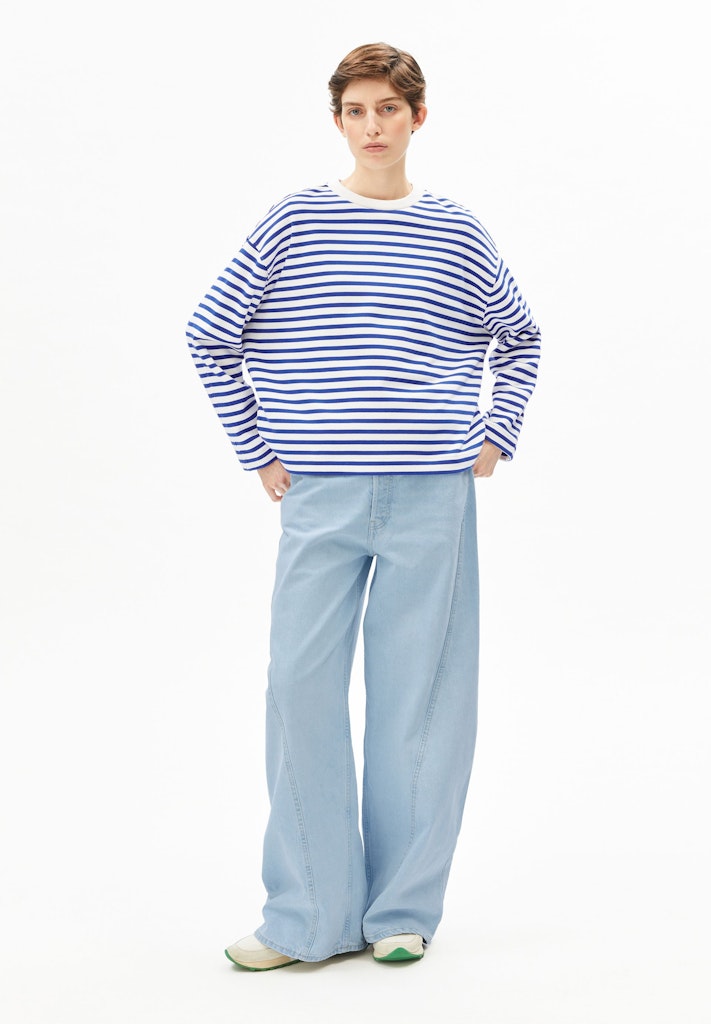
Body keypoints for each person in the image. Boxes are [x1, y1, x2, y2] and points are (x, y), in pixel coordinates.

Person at [186, 42, 541, 969]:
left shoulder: (456, 231)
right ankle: (306, 916)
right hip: (321, 492)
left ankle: (398, 913)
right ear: (338, 120)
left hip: (431, 493)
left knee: (420, 704)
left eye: (388, 109)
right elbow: (210, 332)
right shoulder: (296, 220)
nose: (372, 126)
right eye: (356, 111)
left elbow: (519, 337)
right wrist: (258, 450)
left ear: (417, 117)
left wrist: (495, 430)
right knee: (298, 690)